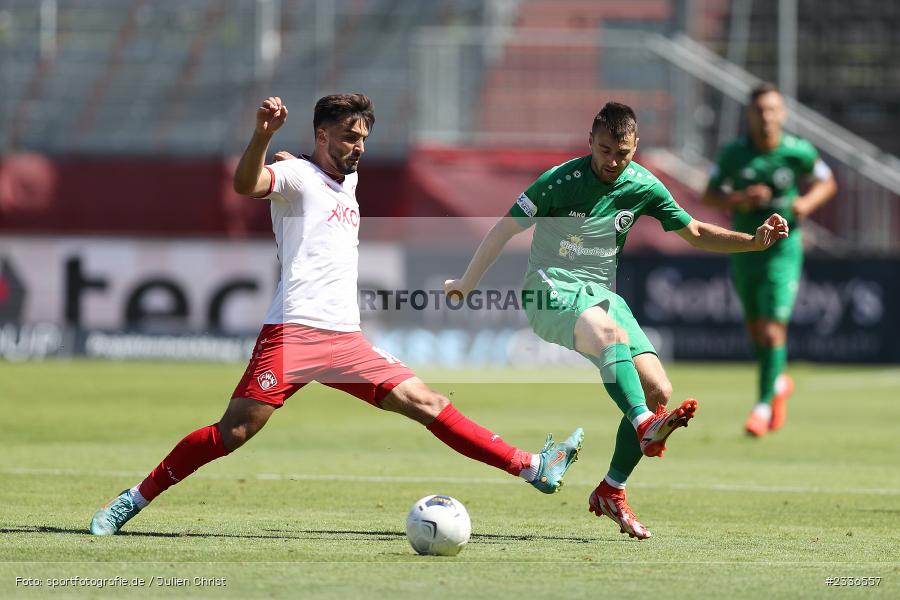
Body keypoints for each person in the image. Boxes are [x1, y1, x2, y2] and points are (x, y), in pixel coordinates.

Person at [89, 93, 584, 536]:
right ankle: (131, 500)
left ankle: (533, 467)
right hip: (293, 333)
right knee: (233, 433)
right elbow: (247, 184)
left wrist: (308, 157)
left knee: (428, 402)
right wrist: (263, 136)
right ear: (322, 135)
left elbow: (324, 177)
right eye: (349, 137)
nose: (359, 147)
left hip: (346, 341)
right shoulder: (296, 177)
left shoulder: (345, 180)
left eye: (363, 138)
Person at [444, 102, 789, 539]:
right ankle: (644, 424)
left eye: (621, 153)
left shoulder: (643, 185)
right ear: (590, 141)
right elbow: (504, 229)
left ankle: (612, 488)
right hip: (549, 288)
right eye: (604, 149)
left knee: (658, 389)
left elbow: (696, 232)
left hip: (602, 294)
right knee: (613, 343)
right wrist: (467, 281)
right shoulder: (559, 181)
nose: (611, 161)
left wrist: (753, 241)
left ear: (635, 147)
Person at [702, 83, 837, 437]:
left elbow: (826, 182)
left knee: (773, 328)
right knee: (754, 330)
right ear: (749, 115)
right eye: (759, 111)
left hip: (782, 250)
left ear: (782, 113)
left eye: (772, 110)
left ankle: (761, 406)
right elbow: (710, 195)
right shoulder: (734, 154)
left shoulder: (798, 152)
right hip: (746, 247)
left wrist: (805, 205)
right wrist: (741, 198)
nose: (766, 117)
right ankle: (778, 385)